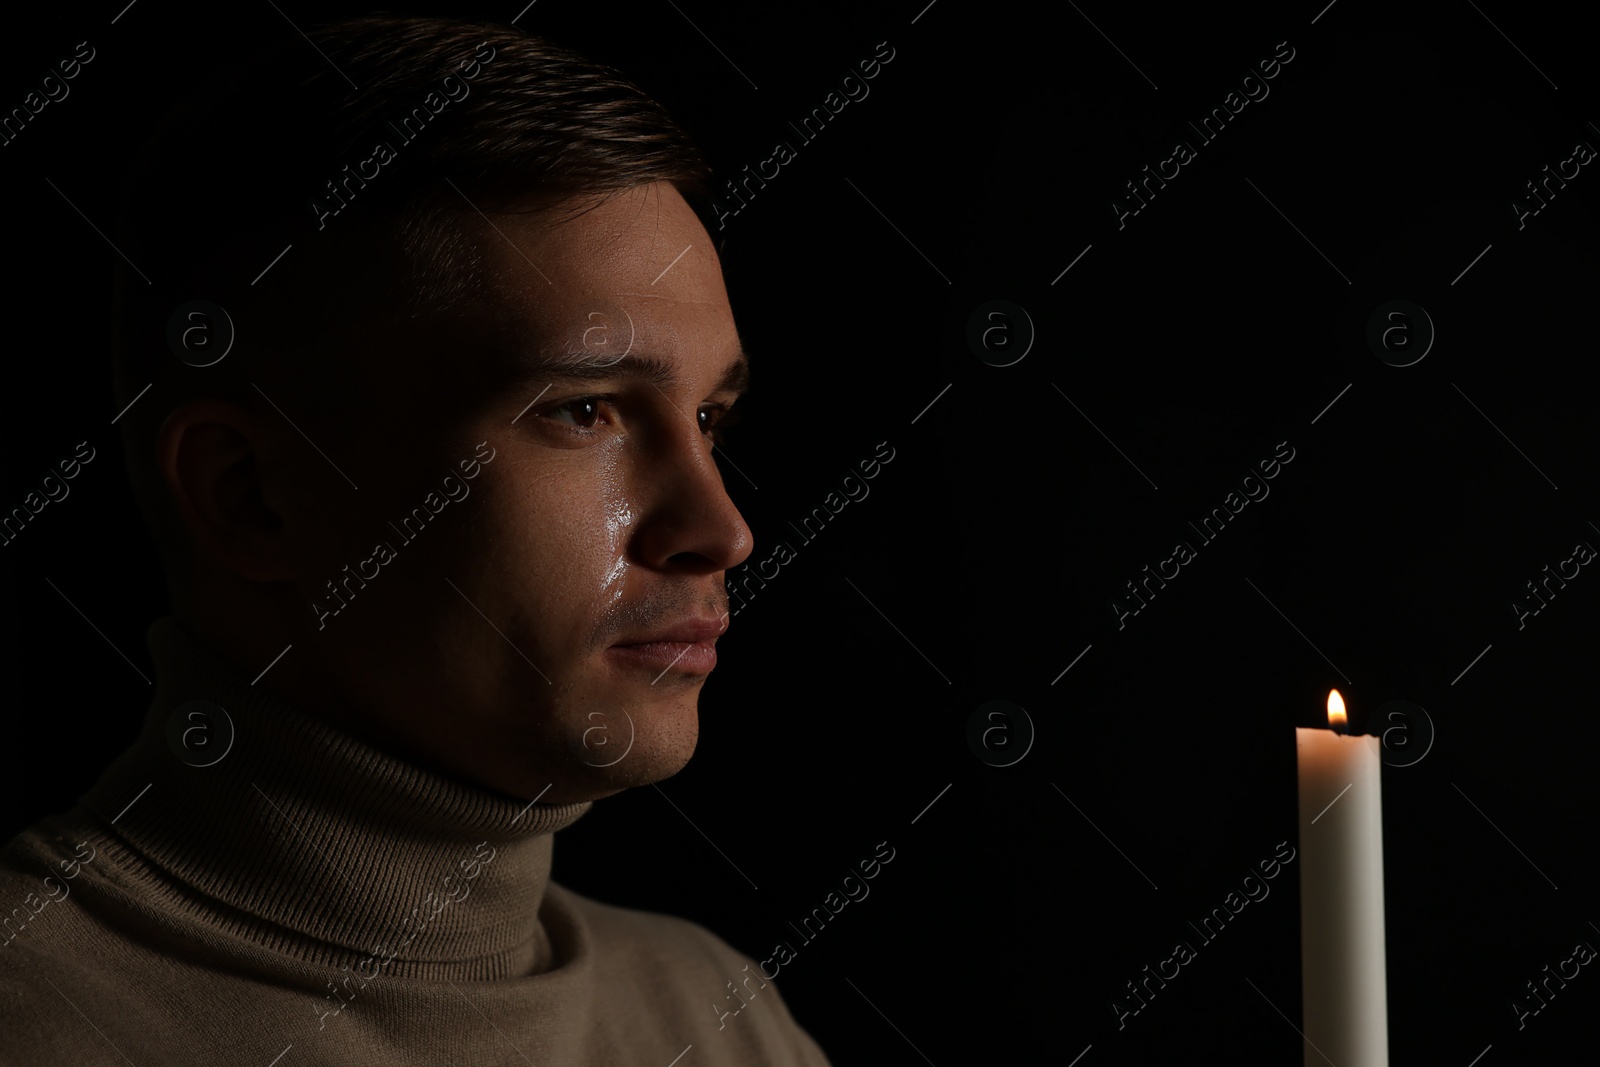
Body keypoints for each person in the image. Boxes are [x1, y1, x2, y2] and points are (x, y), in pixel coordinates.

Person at [0, 12, 831, 1064]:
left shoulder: (717, 1017)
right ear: (250, 494)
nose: (722, 528)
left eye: (709, 418)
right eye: (584, 410)